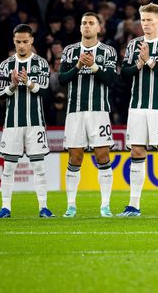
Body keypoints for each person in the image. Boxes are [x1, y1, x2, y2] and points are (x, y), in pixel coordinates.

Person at [118, 3, 158, 217]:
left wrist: (150, 61)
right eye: (143, 20)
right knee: (136, 151)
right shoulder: (133, 44)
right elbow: (124, 74)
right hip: (137, 108)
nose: (145, 24)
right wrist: (139, 65)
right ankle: (134, 205)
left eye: (149, 20)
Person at [58, 12, 117, 217]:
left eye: (91, 23)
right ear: (80, 27)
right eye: (84, 23)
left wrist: (92, 65)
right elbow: (62, 79)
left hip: (99, 111)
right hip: (75, 112)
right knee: (75, 156)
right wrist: (78, 65)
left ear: (99, 28)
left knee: (102, 156)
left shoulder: (107, 51)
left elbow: (110, 79)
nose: (87, 26)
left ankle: (105, 205)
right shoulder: (70, 51)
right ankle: (71, 205)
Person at [0, 24, 52, 218]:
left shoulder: (41, 63)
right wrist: (12, 85)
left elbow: (44, 91)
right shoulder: (5, 65)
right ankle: (5, 207)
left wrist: (27, 82)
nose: (21, 46)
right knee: (9, 167)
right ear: (14, 41)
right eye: (18, 42)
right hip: (12, 124)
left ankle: (43, 207)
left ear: (32, 41)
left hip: (35, 123)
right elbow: (0, 93)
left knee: (39, 166)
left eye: (25, 42)